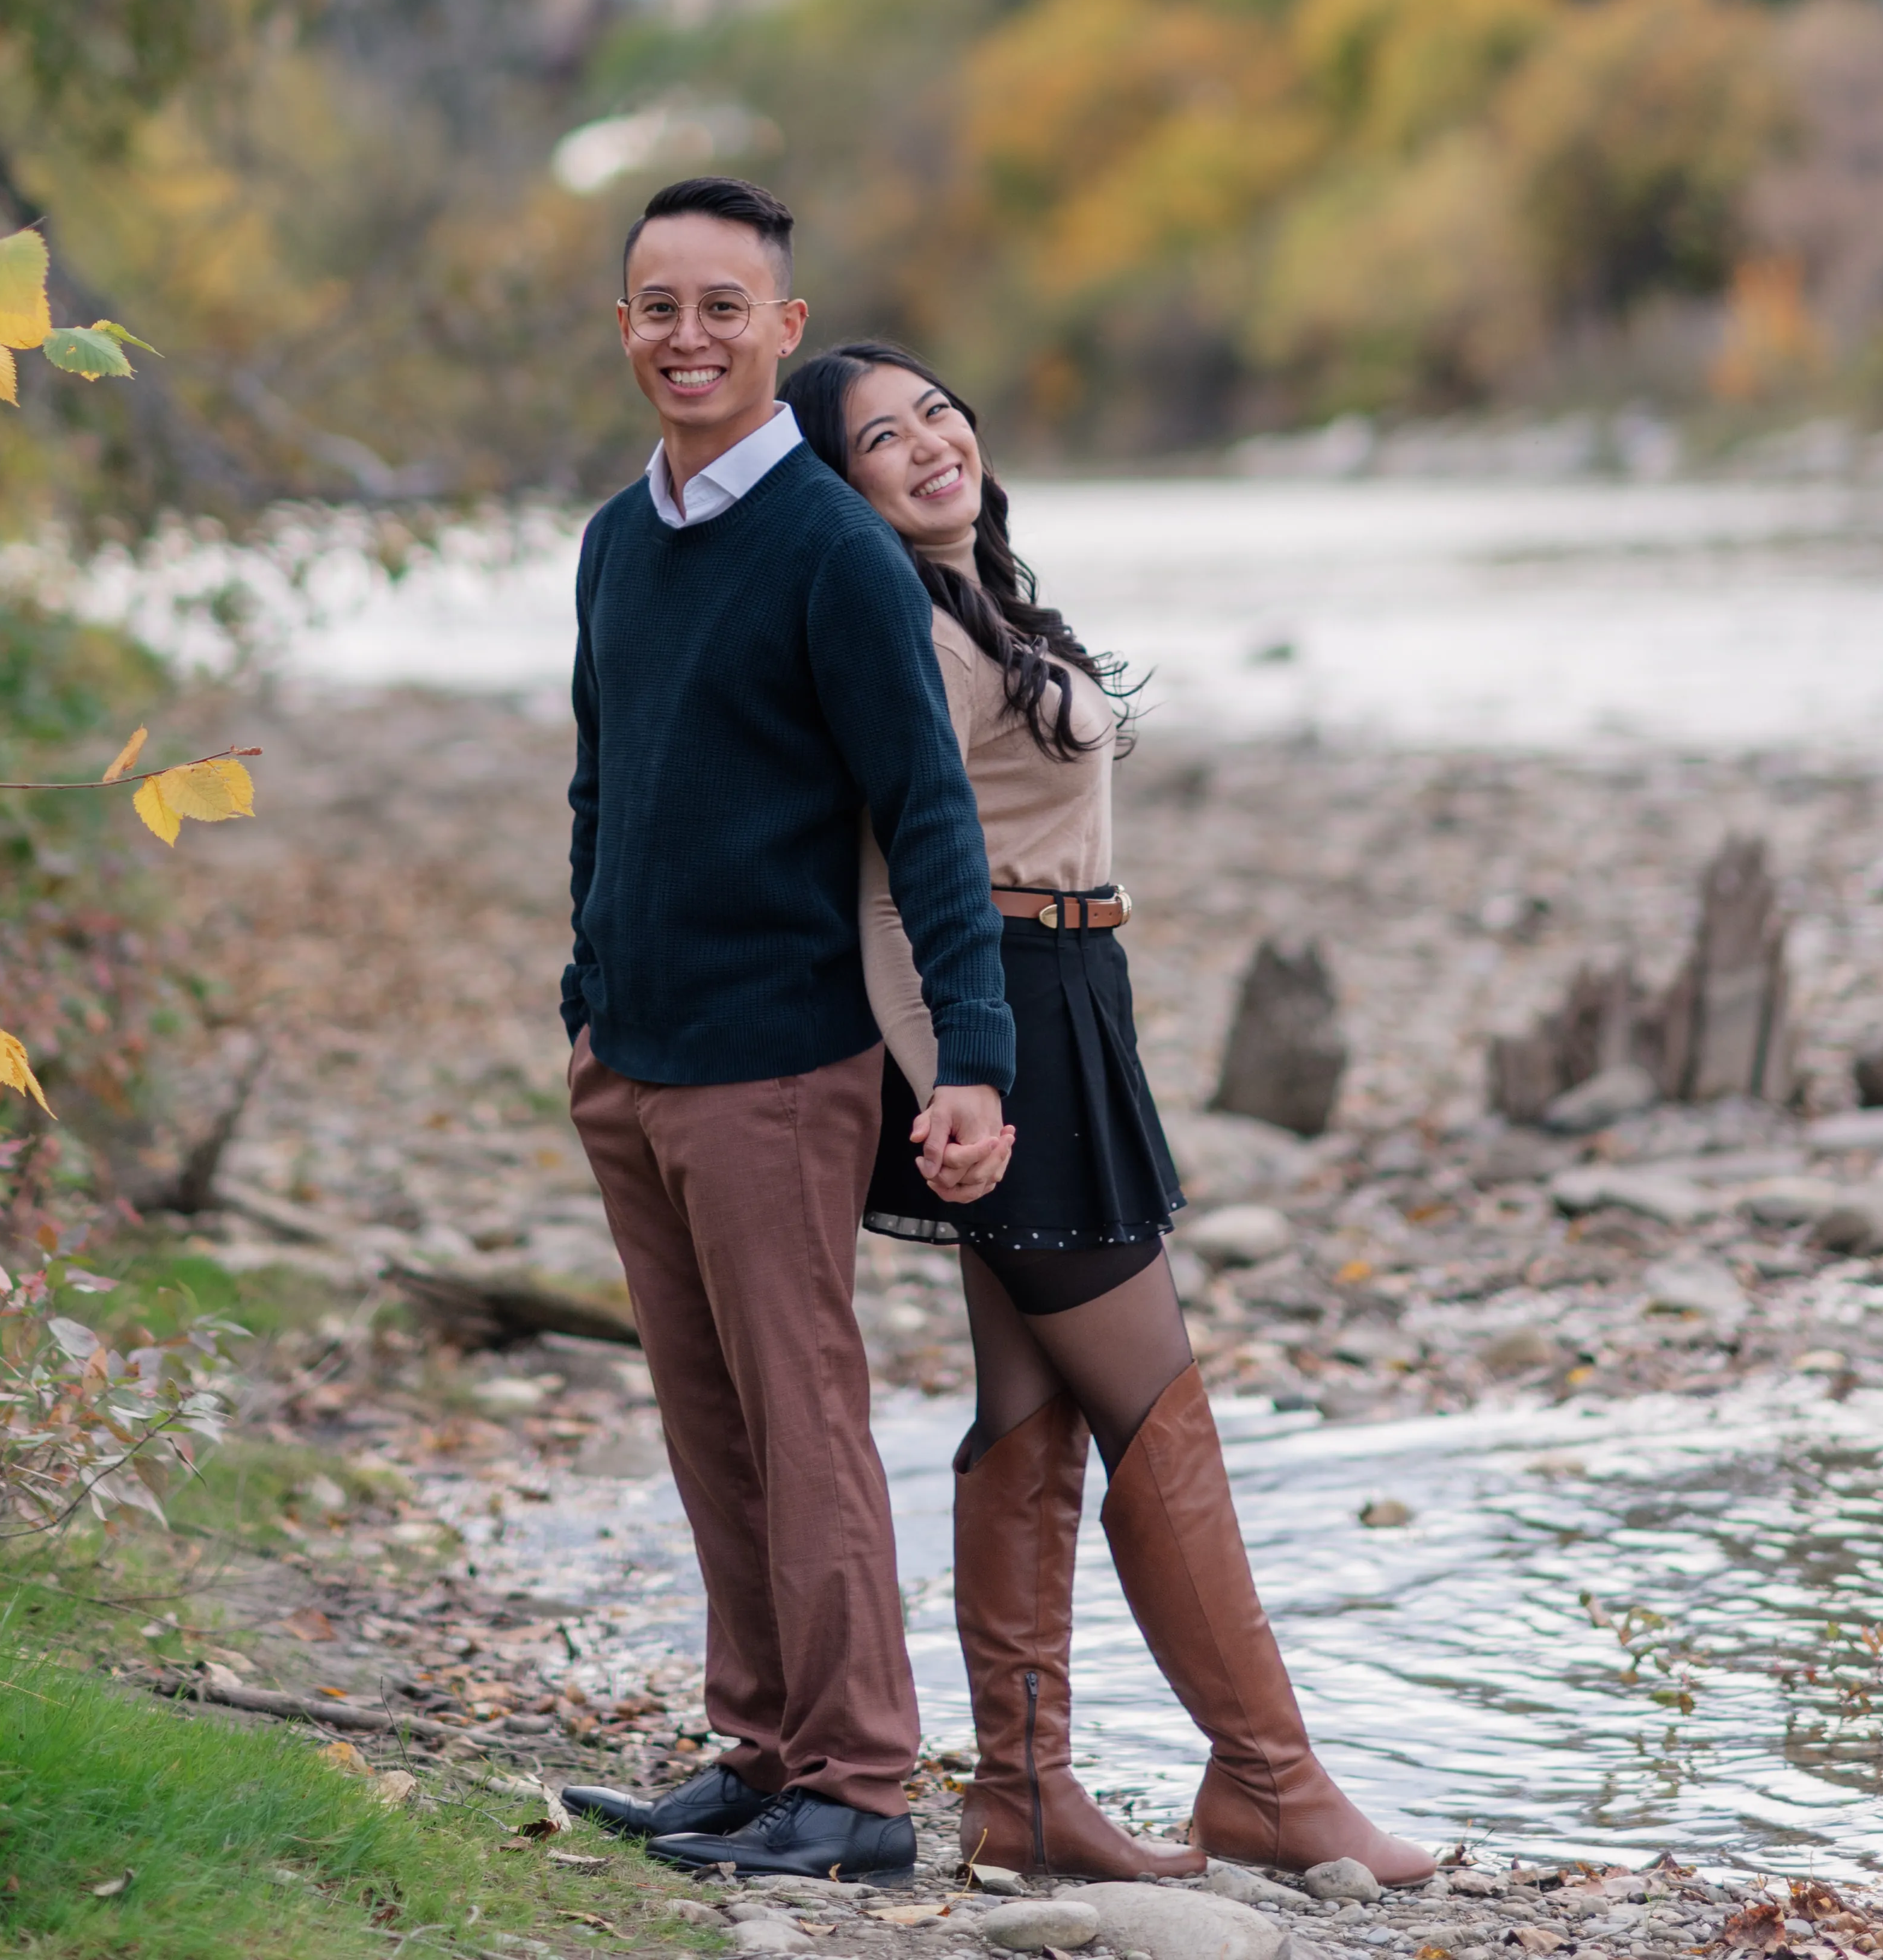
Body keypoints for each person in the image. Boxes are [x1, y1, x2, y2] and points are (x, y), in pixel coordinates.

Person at [784, 341, 1437, 1893]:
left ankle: (1024, 1796)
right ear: (841, 485)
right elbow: (891, 872)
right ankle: (1271, 1782)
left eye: (938, 407)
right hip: (996, 1014)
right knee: (1155, 1399)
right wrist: (953, 1069)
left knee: (1037, 1405)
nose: (931, 442)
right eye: (882, 438)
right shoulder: (899, 626)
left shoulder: (979, 595)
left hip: (1070, 997)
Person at [555, 184, 1016, 1888]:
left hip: (777, 1062)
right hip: (637, 1054)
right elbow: (603, 781)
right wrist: (583, 998)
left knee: (802, 1415)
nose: (689, 336)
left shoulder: (830, 550)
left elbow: (932, 815)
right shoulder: (616, 538)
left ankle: (861, 1790)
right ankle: (761, 1752)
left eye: (723, 309)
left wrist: (973, 1061)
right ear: (625, 330)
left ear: (784, 332)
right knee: (706, 1417)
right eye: (659, 307)